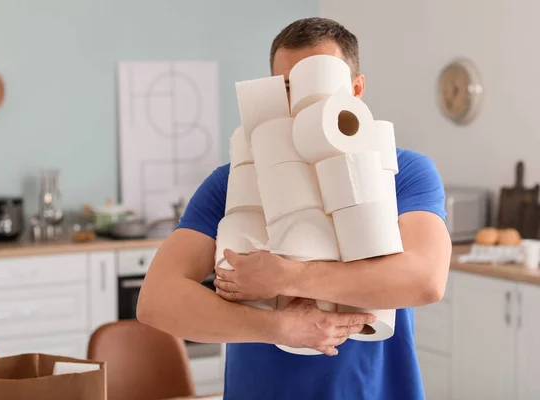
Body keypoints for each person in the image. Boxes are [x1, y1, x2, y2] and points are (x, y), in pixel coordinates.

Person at [137, 17, 452, 400]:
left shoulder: (399, 171)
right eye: (288, 88)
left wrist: (289, 277)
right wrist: (279, 328)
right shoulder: (234, 181)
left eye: (319, 86)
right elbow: (156, 301)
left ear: (355, 90)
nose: (302, 102)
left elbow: (426, 279)